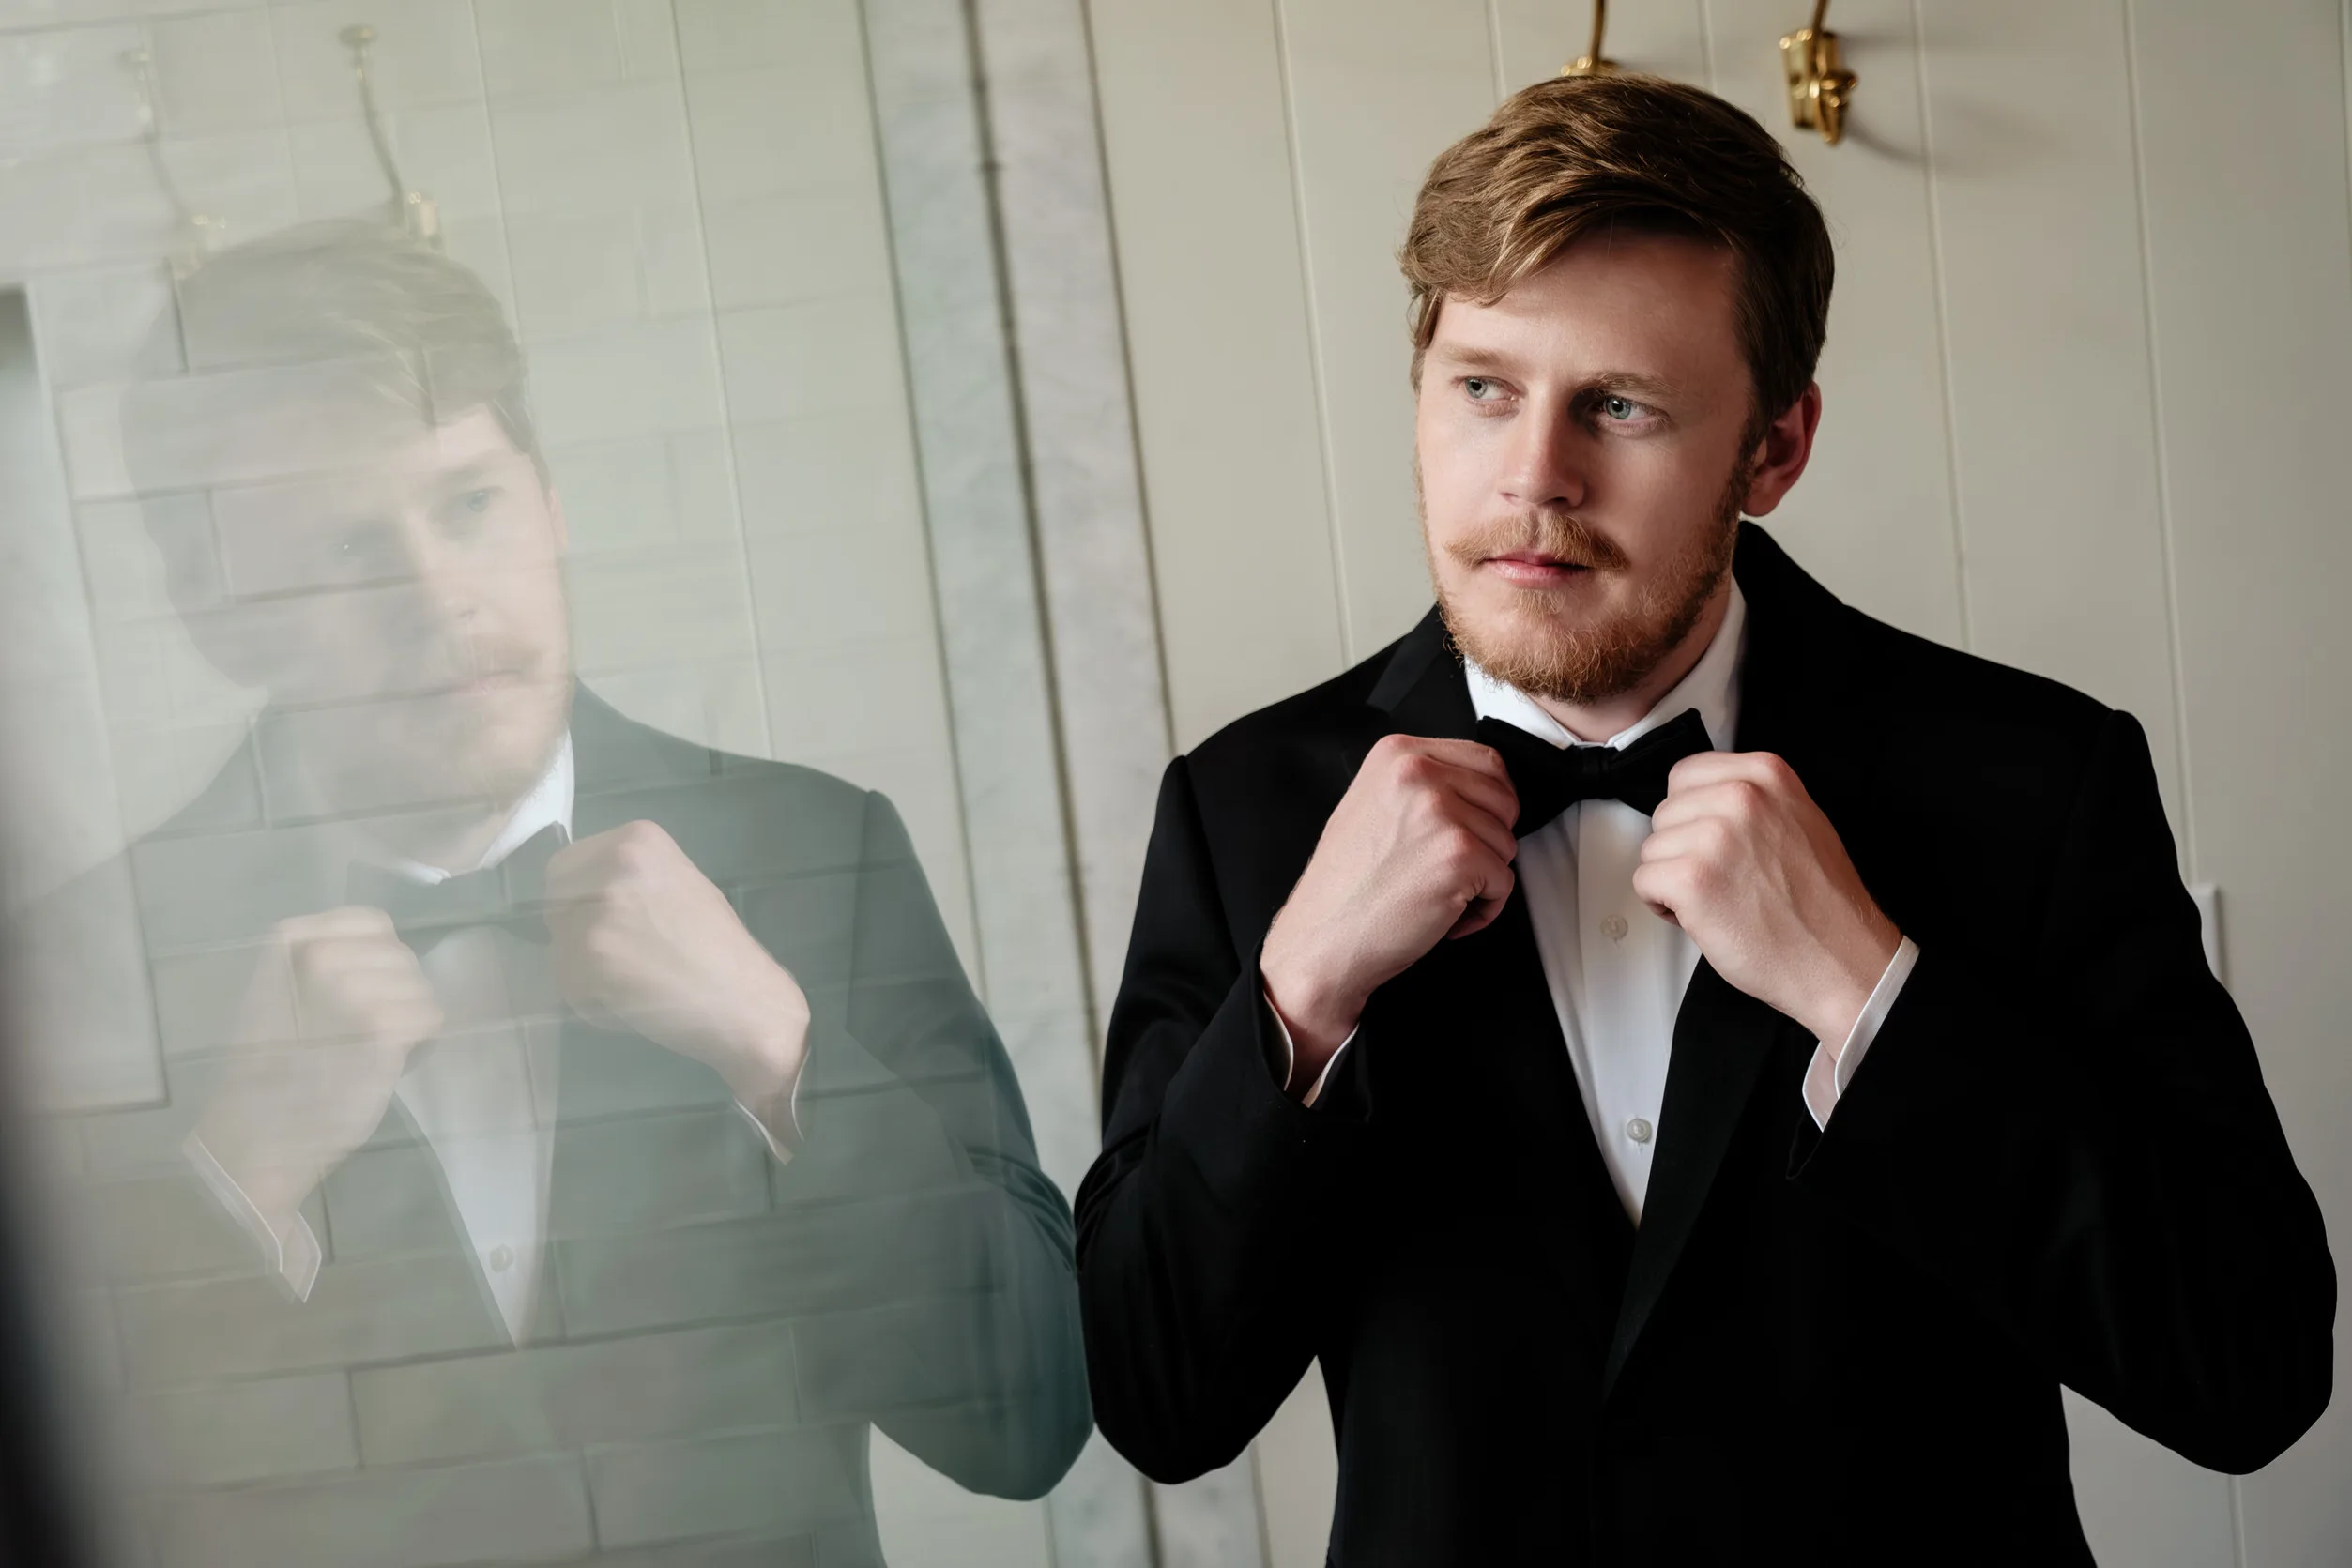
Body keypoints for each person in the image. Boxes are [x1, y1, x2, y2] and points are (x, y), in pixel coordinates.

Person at [1075, 73, 2334, 1563]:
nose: (1533, 475)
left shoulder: (2032, 783)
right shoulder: (1245, 811)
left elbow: (2247, 1365)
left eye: (1619, 405)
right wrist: (1300, 992)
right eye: (1483, 385)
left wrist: (1870, 999)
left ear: (1773, 450)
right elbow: (1156, 1399)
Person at [17, 220, 1088, 1565]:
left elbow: (1029, 1419)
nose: (439, 598)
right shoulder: (73, 970)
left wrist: (780, 1052)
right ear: (213, 610)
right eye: (344, 548)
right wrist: (230, 1182)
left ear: (550, 503)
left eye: (468, 505)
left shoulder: (818, 850)